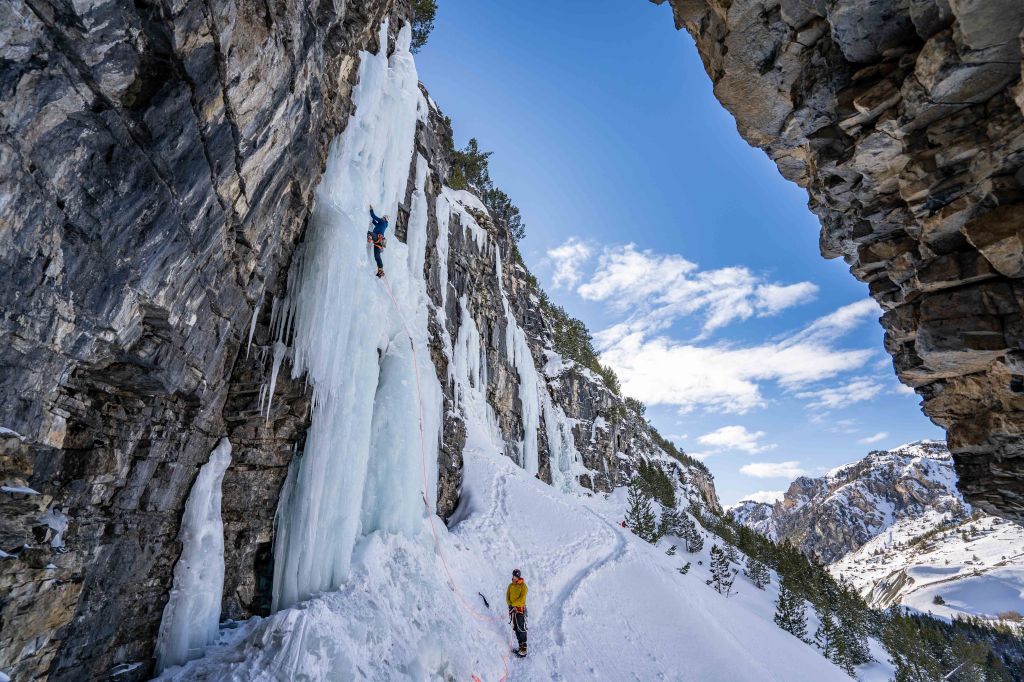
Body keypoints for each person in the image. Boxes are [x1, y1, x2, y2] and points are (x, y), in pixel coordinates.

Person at [506, 568, 528, 657]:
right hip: (512, 610)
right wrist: (510, 605)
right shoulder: (510, 585)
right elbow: (507, 596)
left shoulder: (523, 587)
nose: (514, 578)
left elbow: (522, 599)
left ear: (519, 577)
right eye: (513, 576)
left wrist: (514, 605)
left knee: (520, 627)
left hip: (519, 610)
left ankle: (524, 649)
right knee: (515, 628)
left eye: (516, 576)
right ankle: (520, 647)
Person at [367, 206, 389, 278]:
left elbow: (374, 216)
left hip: (377, 238)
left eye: (383, 217)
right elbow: (374, 222)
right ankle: (380, 270)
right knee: (377, 256)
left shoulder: (382, 221)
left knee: (368, 233)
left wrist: (371, 209)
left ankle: (370, 238)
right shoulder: (383, 224)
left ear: (384, 219)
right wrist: (371, 220)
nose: (382, 218)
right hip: (379, 243)